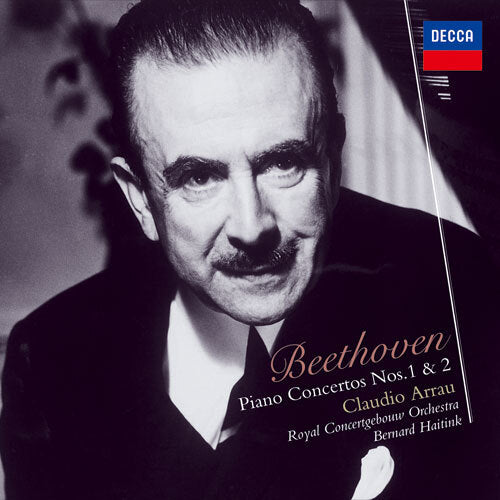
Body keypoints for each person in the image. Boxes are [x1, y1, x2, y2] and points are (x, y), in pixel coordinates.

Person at [1, 1, 498, 499]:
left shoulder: (457, 291)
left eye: (283, 163)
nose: (251, 225)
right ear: (141, 200)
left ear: (333, 158)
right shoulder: (50, 361)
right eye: (199, 177)